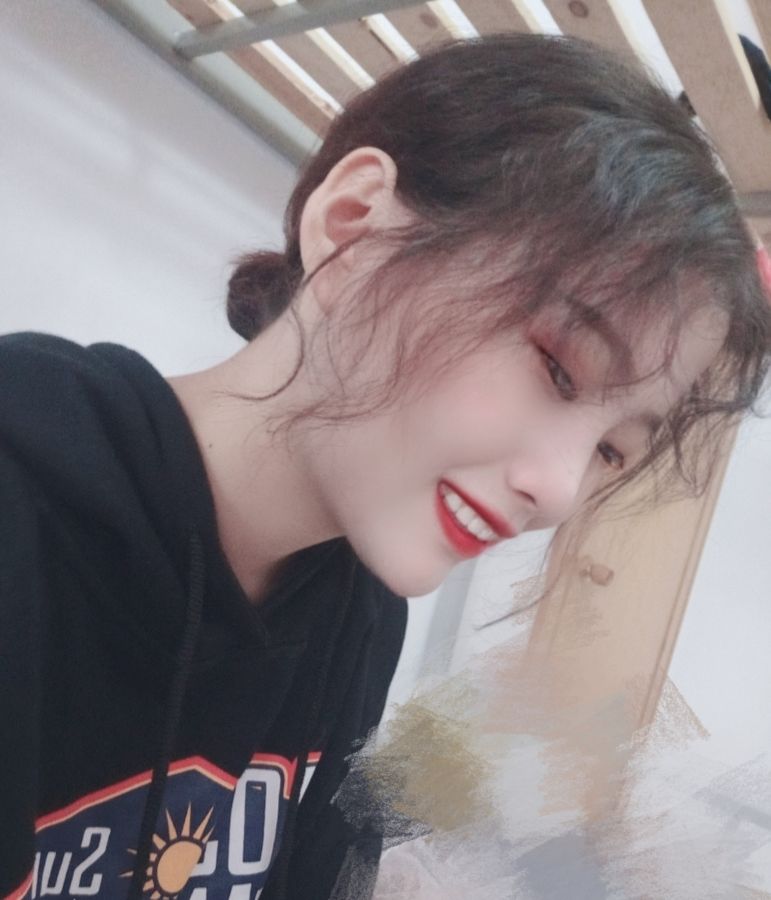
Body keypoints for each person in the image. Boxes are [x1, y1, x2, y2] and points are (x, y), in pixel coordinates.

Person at [1, 32, 769, 900]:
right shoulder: (24, 506)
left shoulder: (358, 610)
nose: (558, 490)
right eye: (559, 368)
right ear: (355, 225)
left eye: (608, 449)